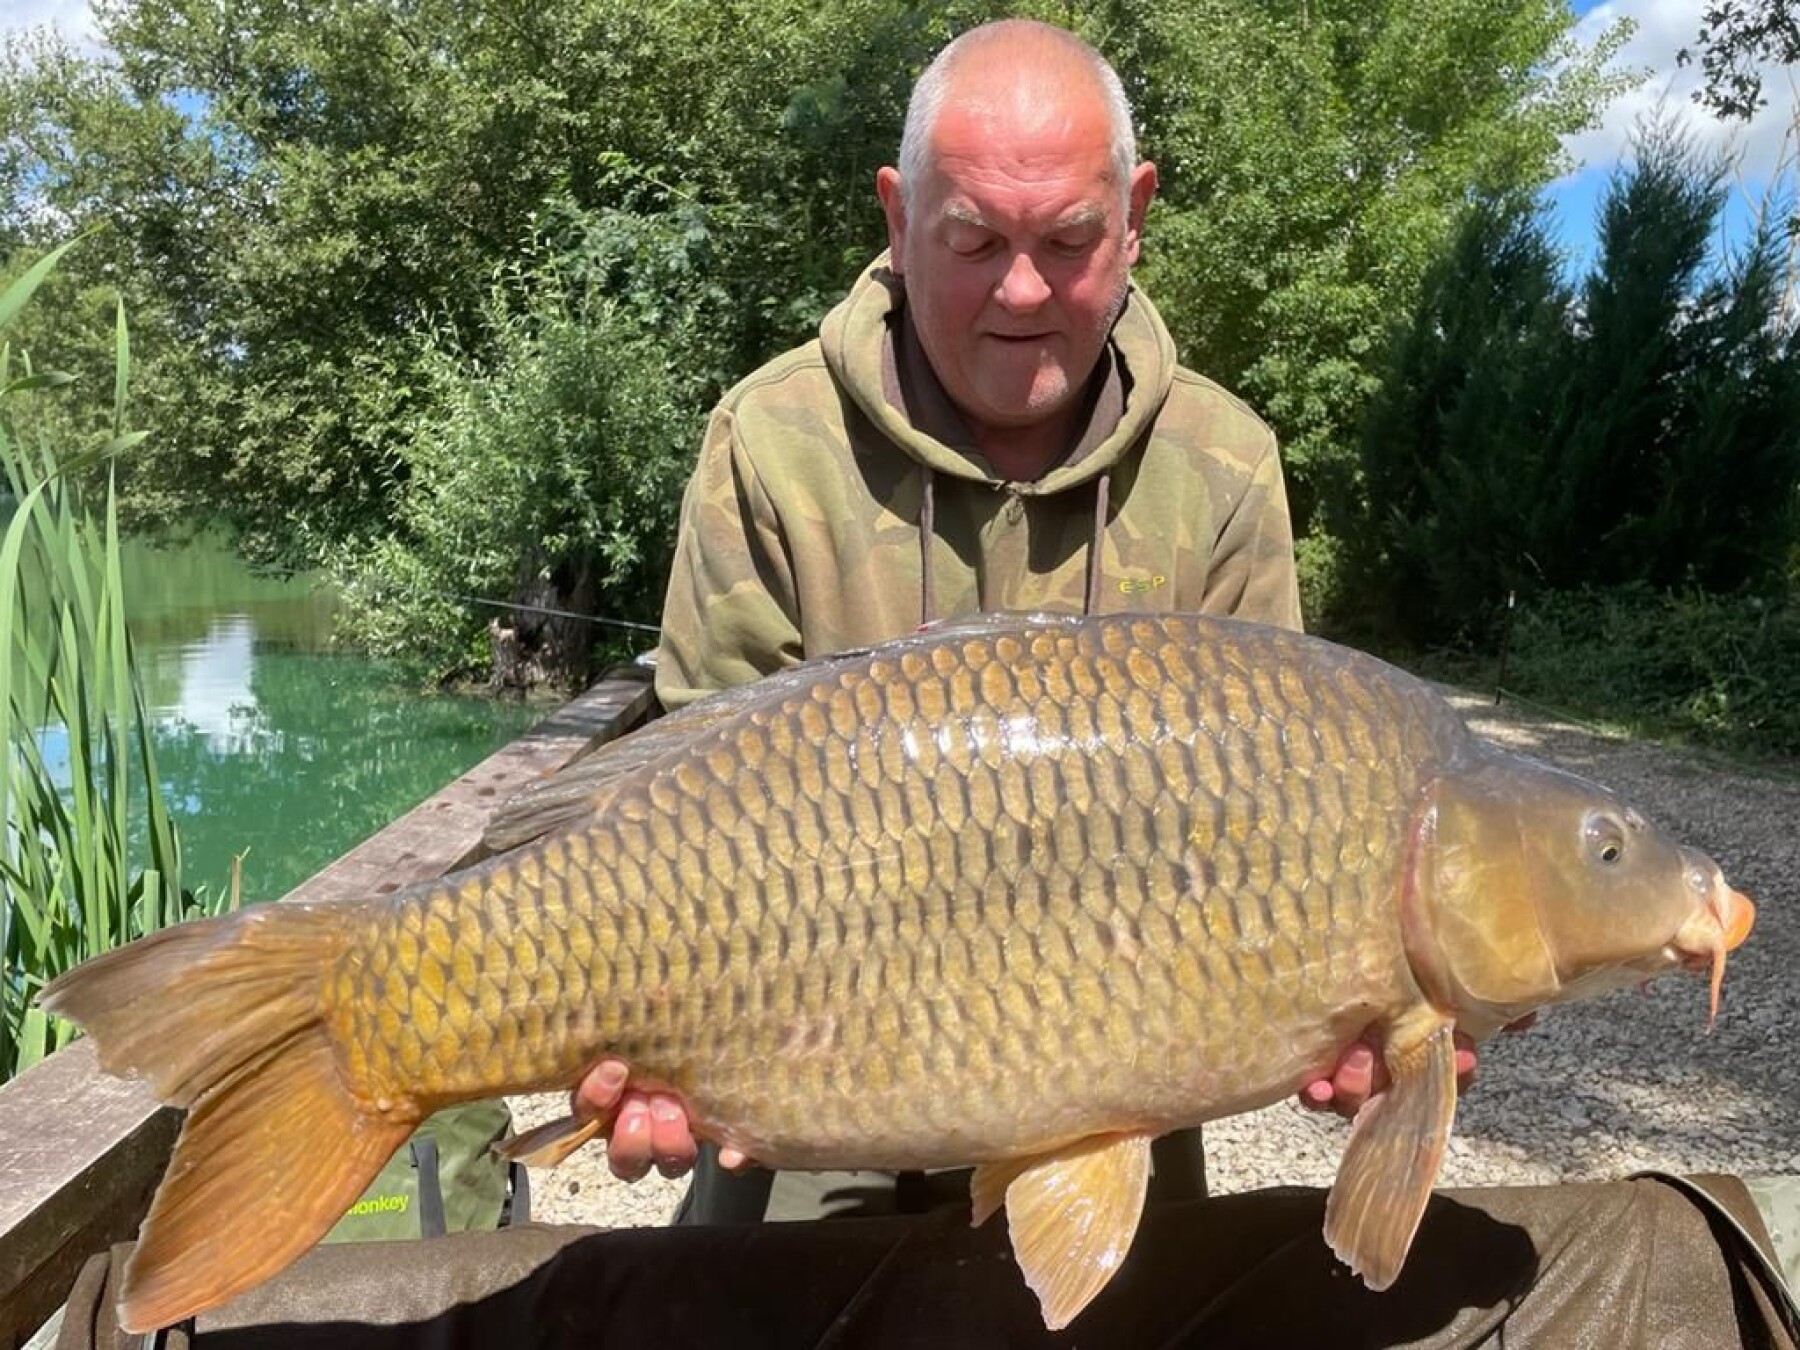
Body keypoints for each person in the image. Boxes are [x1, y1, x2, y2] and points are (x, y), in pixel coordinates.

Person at [564, 17, 1481, 1215]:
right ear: (898, 217)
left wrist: (1359, 1011)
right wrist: (646, 1049)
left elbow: (1279, 838)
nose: (1023, 288)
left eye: (1069, 239)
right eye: (973, 239)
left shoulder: (1224, 466)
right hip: (800, 1093)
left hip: (1113, 1096)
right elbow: (684, 814)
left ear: (1135, 216)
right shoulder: (770, 443)